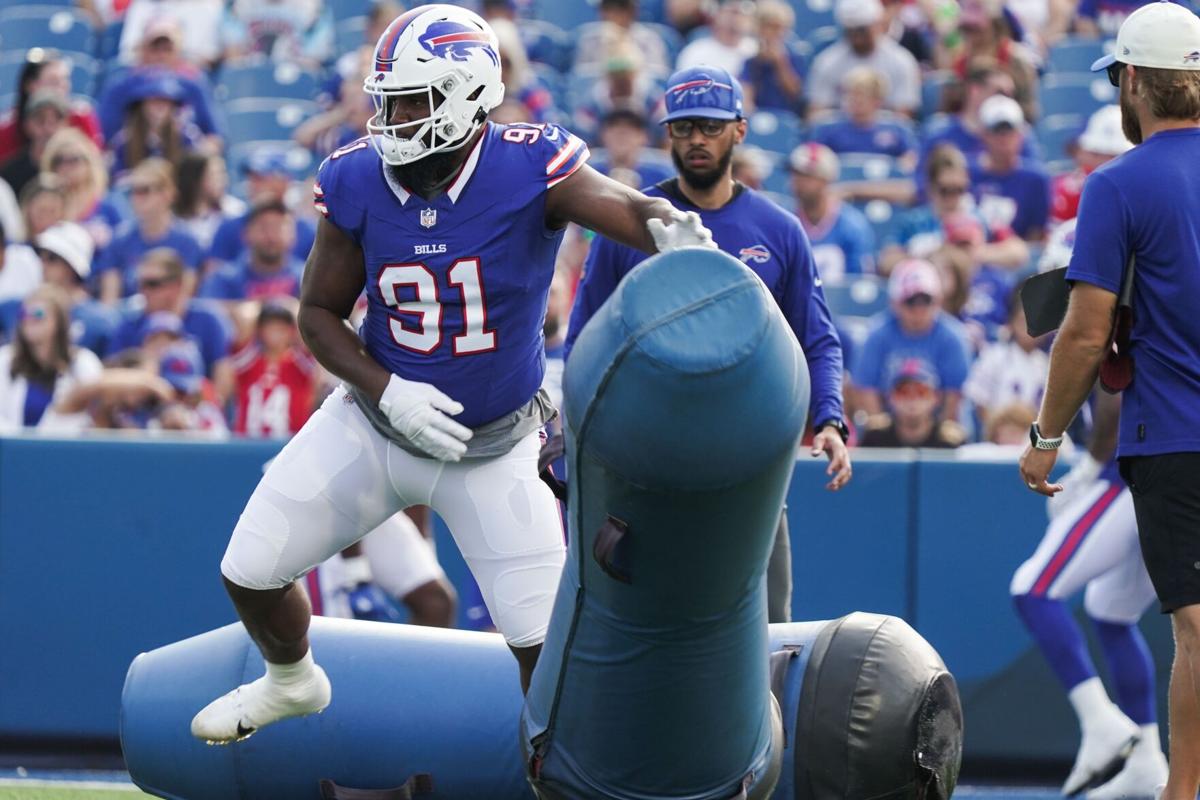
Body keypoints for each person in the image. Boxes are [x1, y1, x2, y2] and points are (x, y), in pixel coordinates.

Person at [189, 4, 716, 745]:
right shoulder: (356, 180)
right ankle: (291, 681)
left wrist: (669, 233)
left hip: (494, 450)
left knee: (543, 650)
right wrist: (386, 389)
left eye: (412, 100)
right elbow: (316, 316)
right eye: (387, 100)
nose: (392, 118)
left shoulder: (528, 165)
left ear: (468, 95)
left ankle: (554, 767)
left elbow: (624, 207)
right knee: (248, 571)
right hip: (374, 428)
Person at [566, 65, 853, 626]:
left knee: (767, 623)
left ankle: (768, 717)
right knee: (639, 617)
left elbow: (816, 338)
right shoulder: (627, 220)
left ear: (739, 131)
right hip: (647, 453)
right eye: (684, 127)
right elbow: (582, 338)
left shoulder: (779, 229)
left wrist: (830, 420)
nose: (697, 139)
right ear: (667, 134)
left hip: (750, 452)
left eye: (711, 126)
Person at [1018, 5, 1200, 797]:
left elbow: (1085, 337)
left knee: (1195, 629)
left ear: (1132, 80)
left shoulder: (1117, 184)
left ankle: (1180, 791)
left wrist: (1044, 436)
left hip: (1176, 438)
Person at [853, 258, 972, 422]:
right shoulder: (876, 335)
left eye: (926, 301)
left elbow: (954, 397)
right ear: (894, 303)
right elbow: (867, 390)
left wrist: (938, 440)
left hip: (937, 426)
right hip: (889, 425)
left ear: (938, 301)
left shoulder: (953, 337)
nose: (919, 310)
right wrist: (882, 437)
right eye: (910, 302)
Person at [109, 248, 232, 385]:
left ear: (177, 285)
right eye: (140, 284)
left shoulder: (208, 320)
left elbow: (223, 373)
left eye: (152, 284)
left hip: (194, 400)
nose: (144, 291)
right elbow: (112, 378)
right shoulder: (128, 326)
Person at [97, 158, 203, 304]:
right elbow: (109, 302)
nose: (136, 198)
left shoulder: (188, 241)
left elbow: (184, 299)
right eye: (132, 191)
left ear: (168, 194)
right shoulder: (119, 240)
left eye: (144, 190)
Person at [0, 285, 102, 433]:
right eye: (23, 314)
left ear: (58, 321)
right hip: (11, 451)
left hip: (65, 449)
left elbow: (92, 414)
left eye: (38, 314)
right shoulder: (5, 359)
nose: (29, 319)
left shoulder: (83, 362)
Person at [807, 0, 922, 117]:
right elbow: (816, 114)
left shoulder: (901, 61)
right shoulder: (827, 62)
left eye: (862, 30)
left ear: (877, 24)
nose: (857, 38)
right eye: (851, 31)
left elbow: (903, 116)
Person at [788, 142, 877, 281]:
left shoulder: (853, 226)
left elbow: (859, 280)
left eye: (807, 175)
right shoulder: (785, 222)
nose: (798, 181)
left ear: (826, 179)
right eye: (795, 174)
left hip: (841, 302)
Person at [969, 94, 1051, 242]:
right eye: (997, 132)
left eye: (1009, 132)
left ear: (1020, 135)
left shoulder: (1036, 179)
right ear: (984, 135)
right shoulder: (966, 173)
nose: (1003, 139)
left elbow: (1038, 234)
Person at [0, 49, 102, 166]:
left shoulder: (80, 118)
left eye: (65, 80)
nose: (62, 88)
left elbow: (95, 168)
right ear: (31, 86)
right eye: (53, 81)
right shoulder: (8, 128)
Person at [34, 222, 120, 358]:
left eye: (51, 258)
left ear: (72, 266)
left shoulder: (101, 320)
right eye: (41, 256)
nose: (42, 264)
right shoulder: (29, 310)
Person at [199, 201, 305, 302]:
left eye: (279, 228)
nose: (271, 236)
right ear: (246, 233)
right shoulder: (223, 279)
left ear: (294, 235)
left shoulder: (307, 279)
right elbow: (207, 309)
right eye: (264, 228)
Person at [40, 128, 125, 253]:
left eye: (74, 159)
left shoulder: (110, 206)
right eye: (59, 160)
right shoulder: (44, 208)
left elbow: (123, 248)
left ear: (89, 163)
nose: (66, 166)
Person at [811, 67, 919, 164]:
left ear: (878, 101)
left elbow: (911, 159)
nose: (853, 100)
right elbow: (813, 162)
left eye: (860, 96)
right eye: (849, 95)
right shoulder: (826, 129)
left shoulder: (898, 129)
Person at [1051, 106, 1133, 226]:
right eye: (1097, 154)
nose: (1107, 162)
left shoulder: (1143, 188)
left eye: (1114, 155)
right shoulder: (1069, 189)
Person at [858, 359, 966, 447]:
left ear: (935, 398)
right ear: (890, 397)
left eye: (921, 392)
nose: (912, 399)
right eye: (903, 392)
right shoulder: (875, 437)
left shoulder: (950, 442)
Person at [739, 0, 807, 114]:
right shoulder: (751, 60)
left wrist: (780, 62)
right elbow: (746, 94)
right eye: (771, 27)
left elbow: (796, 93)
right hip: (759, 116)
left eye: (782, 28)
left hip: (787, 115)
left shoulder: (795, 57)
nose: (778, 33)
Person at [173, 153, 246, 252]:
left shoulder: (236, 211)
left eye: (223, 173)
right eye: (214, 175)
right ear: (195, 180)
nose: (224, 181)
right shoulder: (174, 219)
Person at [0, 91, 68, 198]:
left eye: (56, 119)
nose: (48, 128)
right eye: (40, 120)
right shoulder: (9, 174)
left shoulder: (78, 165)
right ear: (27, 125)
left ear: (66, 124)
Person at [675, 0, 758, 76]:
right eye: (732, 12)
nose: (736, 18)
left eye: (742, 13)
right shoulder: (696, 52)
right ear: (717, 14)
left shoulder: (756, 50)